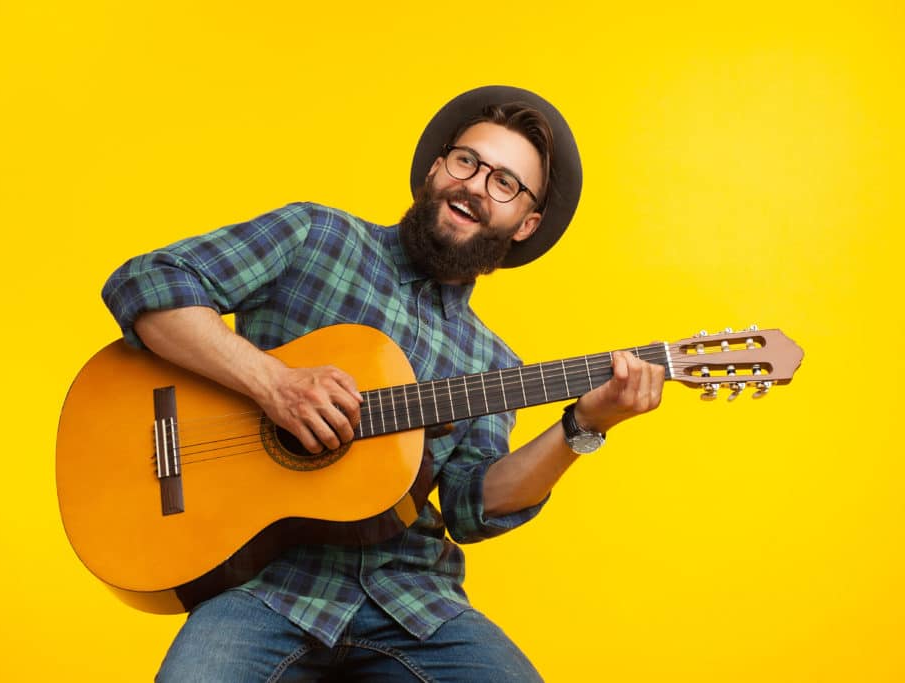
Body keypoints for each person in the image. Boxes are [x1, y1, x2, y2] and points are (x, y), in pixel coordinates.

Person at [102, 85, 665, 681]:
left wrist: (583, 427)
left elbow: (474, 505)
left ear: (524, 224)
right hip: (263, 588)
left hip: (415, 606)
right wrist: (273, 384)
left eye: (504, 183)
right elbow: (149, 283)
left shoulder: (491, 361)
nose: (475, 185)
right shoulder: (317, 236)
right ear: (435, 168)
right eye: (467, 161)